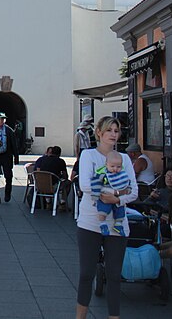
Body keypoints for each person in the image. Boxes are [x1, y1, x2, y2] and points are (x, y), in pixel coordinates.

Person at [76, 116, 138, 319]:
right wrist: (113, 193)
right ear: (99, 133)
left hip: (117, 224)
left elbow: (134, 191)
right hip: (90, 221)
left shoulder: (125, 159)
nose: (113, 134)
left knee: (114, 275)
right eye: (109, 130)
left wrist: (115, 198)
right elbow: (85, 185)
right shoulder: (88, 155)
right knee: (86, 273)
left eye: (116, 130)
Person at [91, 150, 131, 236]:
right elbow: (95, 184)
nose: (115, 169)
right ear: (106, 164)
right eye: (112, 166)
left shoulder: (122, 174)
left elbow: (127, 182)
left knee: (121, 211)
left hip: (117, 198)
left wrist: (128, 189)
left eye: (118, 167)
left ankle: (118, 225)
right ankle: (102, 224)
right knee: (103, 211)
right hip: (105, 196)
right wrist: (95, 196)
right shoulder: (102, 174)